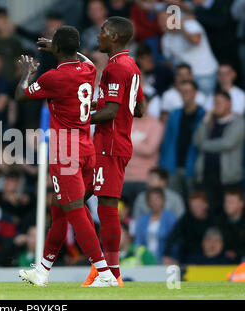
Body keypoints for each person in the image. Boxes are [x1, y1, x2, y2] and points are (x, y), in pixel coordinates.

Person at [15, 25, 117, 287]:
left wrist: (27, 74)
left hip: (65, 149)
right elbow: (81, 57)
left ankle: (104, 273)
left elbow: (21, 95)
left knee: (75, 211)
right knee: (59, 210)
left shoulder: (53, 78)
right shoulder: (89, 69)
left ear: (57, 49)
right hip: (86, 146)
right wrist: (62, 47)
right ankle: (42, 271)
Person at [85, 16, 145, 287]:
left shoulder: (115, 69)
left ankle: (111, 273)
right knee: (76, 199)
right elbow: (139, 108)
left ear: (114, 37)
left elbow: (111, 111)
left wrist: (80, 117)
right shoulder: (130, 65)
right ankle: (101, 268)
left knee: (106, 206)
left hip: (109, 145)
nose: (98, 35)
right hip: (114, 144)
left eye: (102, 31)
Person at [193, 90, 245, 214]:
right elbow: (196, 140)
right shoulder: (210, 122)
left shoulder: (239, 122)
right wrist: (205, 120)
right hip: (206, 176)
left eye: (219, 102)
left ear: (229, 104)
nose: (216, 105)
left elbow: (227, 143)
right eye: (215, 102)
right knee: (209, 212)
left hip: (228, 178)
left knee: (228, 212)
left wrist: (203, 145)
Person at [159, 80, 205, 198]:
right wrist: (163, 164)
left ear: (195, 93)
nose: (185, 94)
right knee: (174, 200)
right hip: (173, 165)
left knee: (194, 201)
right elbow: (167, 141)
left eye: (188, 91)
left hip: (193, 166)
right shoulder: (175, 114)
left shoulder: (203, 115)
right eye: (182, 92)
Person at [158, 9, 219, 95]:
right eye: (159, 20)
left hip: (205, 73)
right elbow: (168, 61)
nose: (161, 23)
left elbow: (196, 40)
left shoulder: (190, 24)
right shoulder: (165, 39)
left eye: (164, 19)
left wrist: (181, 26)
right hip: (186, 78)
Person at [122, 94, 164, 207]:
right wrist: (139, 143)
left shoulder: (156, 125)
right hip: (124, 177)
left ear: (148, 104)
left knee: (141, 211)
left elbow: (149, 149)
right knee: (122, 214)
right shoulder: (125, 122)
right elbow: (119, 145)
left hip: (144, 178)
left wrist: (128, 142)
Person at [162, 190, 219, 265]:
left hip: (212, 257)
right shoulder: (185, 219)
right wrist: (167, 255)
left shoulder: (214, 220)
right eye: (193, 206)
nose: (195, 209)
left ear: (206, 205)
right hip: (189, 258)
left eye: (198, 206)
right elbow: (173, 237)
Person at [134, 187, 178, 264]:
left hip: (166, 260)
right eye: (151, 199)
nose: (154, 202)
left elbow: (175, 242)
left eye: (157, 199)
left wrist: (171, 257)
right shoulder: (142, 220)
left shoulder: (171, 218)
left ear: (163, 200)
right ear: (148, 202)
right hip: (145, 261)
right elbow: (139, 242)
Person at [219, 189, 245, 263]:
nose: (227, 204)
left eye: (231, 202)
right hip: (222, 261)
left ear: (241, 204)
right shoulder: (220, 220)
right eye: (226, 201)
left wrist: (238, 254)